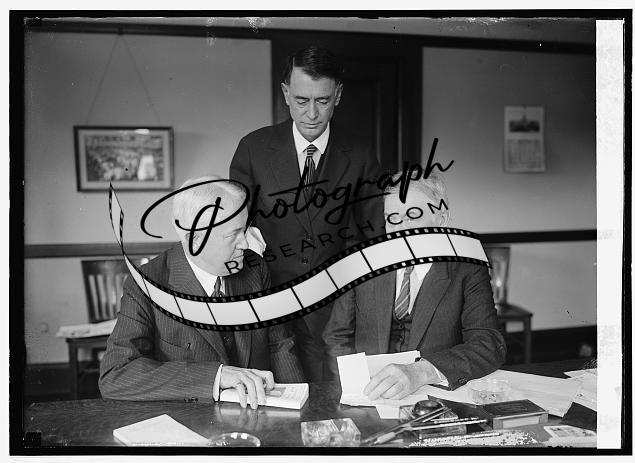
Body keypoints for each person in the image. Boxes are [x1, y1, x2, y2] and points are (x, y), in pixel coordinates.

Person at [230, 46, 384, 382]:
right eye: (301, 100)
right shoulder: (253, 149)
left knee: (333, 399)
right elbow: (236, 229)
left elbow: (374, 234)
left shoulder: (361, 154)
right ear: (286, 93)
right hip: (270, 307)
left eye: (322, 101)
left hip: (335, 314)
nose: (312, 113)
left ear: (338, 95)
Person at [99, 176, 304, 408]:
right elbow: (115, 375)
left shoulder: (255, 268)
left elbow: (280, 344)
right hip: (191, 418)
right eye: (233, 235)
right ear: (195, 239)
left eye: (244, 231)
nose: (245, 244)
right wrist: (217, 376)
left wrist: (297, 404)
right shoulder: (146, 284)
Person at [323, 172, 506, 399]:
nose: (400, 228)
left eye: (412, 216)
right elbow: (337, 336)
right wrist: (359, 389)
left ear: (441, 220)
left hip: (435, 397)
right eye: (392, 218)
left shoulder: (467, 268)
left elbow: (488, 344)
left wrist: (423, 372)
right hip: (369, 396)